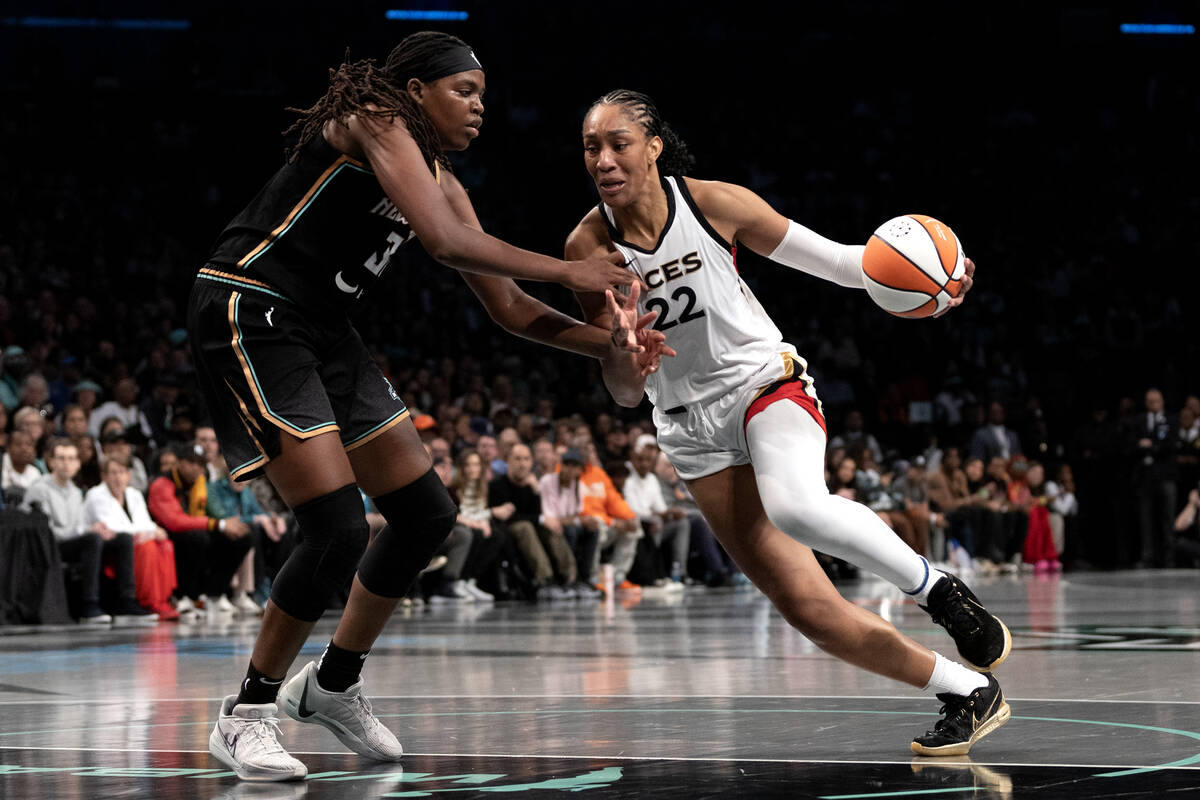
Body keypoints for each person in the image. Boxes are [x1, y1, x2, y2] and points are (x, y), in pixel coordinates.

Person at [190, 32, 662, 781]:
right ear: (416, 89)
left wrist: (606, 346)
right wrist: (572, 267)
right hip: (253, 306)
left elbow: (507, 306)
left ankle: (334, 684)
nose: (480, 107)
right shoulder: (373, 116)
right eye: (465, 90)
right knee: (337, 528)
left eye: (485, 95)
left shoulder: (441, 180)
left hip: (323, 328)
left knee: (427, 514)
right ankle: (245, 714)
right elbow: (446, 246)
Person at [566, 89, 1009, 757]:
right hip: (689, 430)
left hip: (762, 383)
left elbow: (841, 263)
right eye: (590, 147)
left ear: (654, 145)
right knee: (813, 614)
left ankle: (938, 590)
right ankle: (967, 691)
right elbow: (625, 393)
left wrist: (938, 285)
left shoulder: (713, 204)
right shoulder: (585, 245)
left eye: (617, 142)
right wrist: (627, 359)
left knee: (797, 507)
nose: (602, 158)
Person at [22, 439, 156, 624]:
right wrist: (88, 530)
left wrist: (97, 529)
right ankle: (89, 605)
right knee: (92, 540)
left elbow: (80, 527)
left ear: (78, 464)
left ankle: (127, 601)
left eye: (71, 459)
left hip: (74, 541)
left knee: (123, 538)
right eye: (61, 458)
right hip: (50, 546)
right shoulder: (39, 489)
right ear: (51, 462)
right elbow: (46, 533)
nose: (66, 463)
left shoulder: (76, 492)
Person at [84, 457, 179, 620]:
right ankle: (146, 601)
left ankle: (162, 600)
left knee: (165, 545)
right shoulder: (96, 494)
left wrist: (151, 531)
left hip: (131, 541)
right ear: (104, 476)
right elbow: (111, 527)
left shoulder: (134, 494)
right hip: (109, 544)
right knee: (146, 545)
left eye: (122, 472)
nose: (118, 477)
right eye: (113, 473)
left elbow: (145, 522)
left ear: (128, 475)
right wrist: (147, 532)